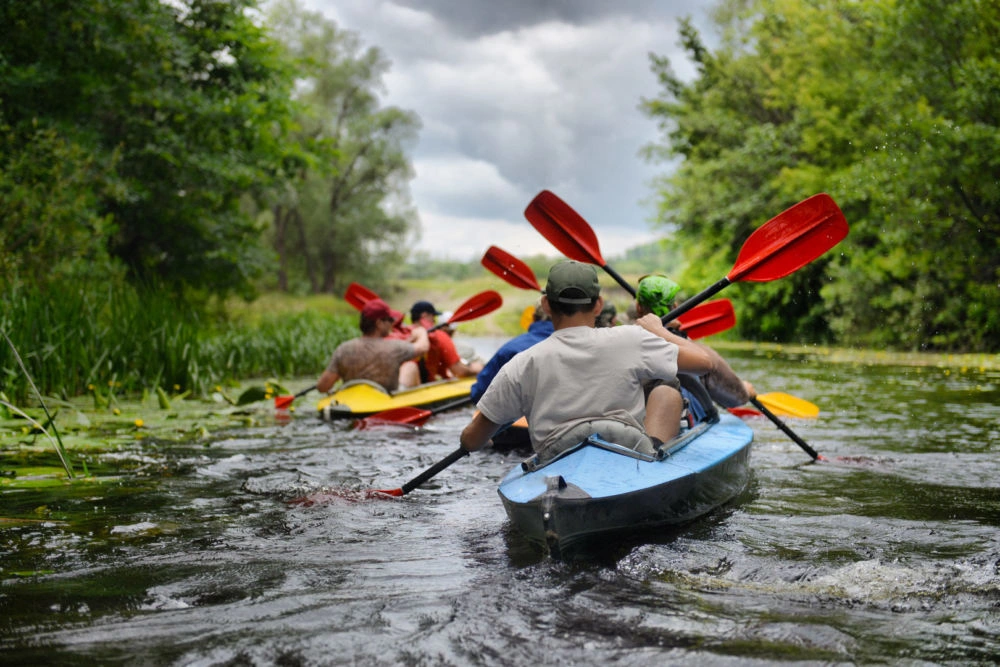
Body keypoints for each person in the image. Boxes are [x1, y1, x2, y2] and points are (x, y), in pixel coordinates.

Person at [460, 260, 716, 463]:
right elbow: (705, 363)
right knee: (667, 384)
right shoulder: (631, 338)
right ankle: (656, 456)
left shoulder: (523, 363)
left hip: (555, 458)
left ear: (546, 305)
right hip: (628, 451)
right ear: (598, 305)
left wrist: (476, 431)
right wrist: (661, 331)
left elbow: (472, 441)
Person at [634, 274, 755, 418]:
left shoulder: (621, 340)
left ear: (638, 308)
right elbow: (736, 398)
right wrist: (747, 391)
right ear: (676, 307)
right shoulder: (698, 355)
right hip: (678, 424)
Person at [316, 299, 429, 393]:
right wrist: (421, 332)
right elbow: (423, 348)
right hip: (384, 405)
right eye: (389, 320)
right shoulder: (395, 348)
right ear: (379, 323)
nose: (392, 324)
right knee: (411, 366)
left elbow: (322, 387)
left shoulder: (343, 349)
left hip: (351, 407)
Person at [470, 301, 554, 404]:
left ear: (533, 318)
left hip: (517, 416)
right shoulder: (575, 347)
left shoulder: (510, 349)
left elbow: (480, 393)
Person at [405, 300, 483, 383]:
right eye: (433, 317)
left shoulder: (402, 334)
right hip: (424, 389)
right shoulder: (439, 336)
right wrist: (475, 369)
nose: (434, 321)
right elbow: (460, 372)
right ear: (425, 316)